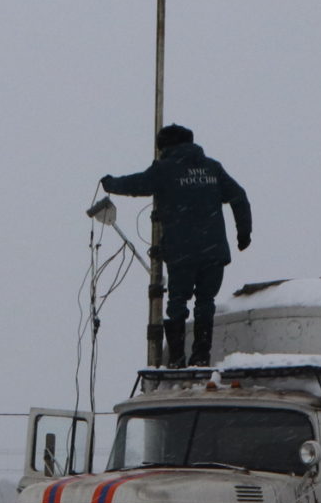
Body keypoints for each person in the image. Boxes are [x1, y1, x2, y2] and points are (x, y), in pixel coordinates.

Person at [99, 123, 253, 368]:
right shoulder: (212, 168)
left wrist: (110, 184)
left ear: (165, 146)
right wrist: (243, 233)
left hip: (182, 252)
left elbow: (137, 184)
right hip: (213, 251)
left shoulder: (165, 169)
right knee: (205, 302)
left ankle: (177, 359)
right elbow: (239, 196)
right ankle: (201, 355)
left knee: (177, 304)